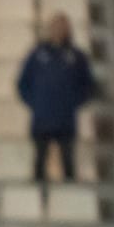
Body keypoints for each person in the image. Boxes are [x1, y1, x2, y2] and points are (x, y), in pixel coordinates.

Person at [16, 13, 95, 184]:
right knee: (40, 161)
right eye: (55, 26)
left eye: (62, 27)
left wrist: (73, 102)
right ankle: (39, 195)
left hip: (65, 119)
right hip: (42, 119)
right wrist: (35, 103)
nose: (58, 30)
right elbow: (23, 83)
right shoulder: (37, 55)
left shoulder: (76, 56)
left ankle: (70, 196)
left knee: (68, 161)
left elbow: (88, 86)